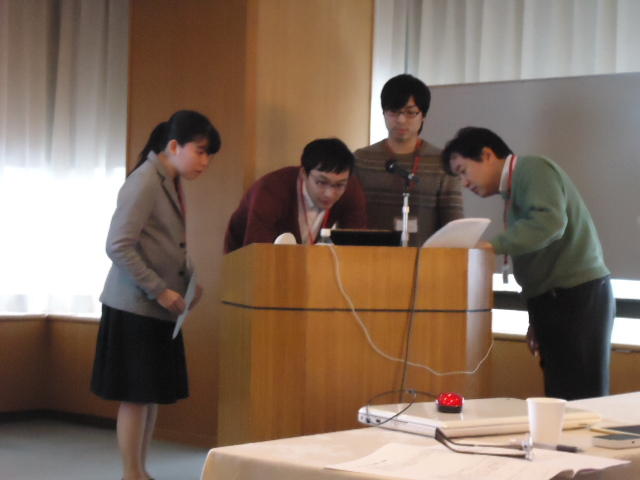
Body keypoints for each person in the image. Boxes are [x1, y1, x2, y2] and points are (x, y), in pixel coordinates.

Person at [91, 110, 221, 480]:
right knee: (135, 396)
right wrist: (160, 289)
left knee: (148, 395)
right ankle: (132, 473)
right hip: (134, 306)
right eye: (200, 151)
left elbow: (167, 243)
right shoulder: (146, 180)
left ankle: (139, 471)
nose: (205, 162)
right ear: (175, 146)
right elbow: (118, 246)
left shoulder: (169, 179)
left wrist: (190, 281)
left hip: (157, 308)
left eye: (209, 154)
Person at [441, 126, 614, 400]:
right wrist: (536, 317)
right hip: (556, 299)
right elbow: (537, 255)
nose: (463, 182)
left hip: (575, 295)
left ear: (487, 155)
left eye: (463, 171)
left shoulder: (533, 169)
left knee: (581, 398)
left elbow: (549, 223)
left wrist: (490, 246)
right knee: (561, 397)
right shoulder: (513, 188)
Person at [354, 74, 463, 246]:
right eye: (393, 111)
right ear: (383, 113)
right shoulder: (362, 160)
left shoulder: (442, 163)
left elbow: (453, 225)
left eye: (411, 113)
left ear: (423, 116)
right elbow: (349, 218)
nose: (401, 120)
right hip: (369, 256)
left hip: (424, 258)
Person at [224, 137, 367, 253]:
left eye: (339, 185)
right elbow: (258, 250)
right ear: (304, 173)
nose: (330, 194)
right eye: (321, 182)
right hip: (245, 257)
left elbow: (356, 246)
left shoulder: (351, 189)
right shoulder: (271, 189)